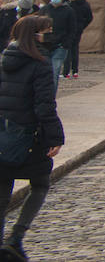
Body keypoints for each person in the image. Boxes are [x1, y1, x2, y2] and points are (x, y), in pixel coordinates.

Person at [0, 15, 64, 258]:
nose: (49, 35)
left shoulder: (5, 59)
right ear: (35, 34)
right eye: (46, 31)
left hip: (3, 133)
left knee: (2, 190)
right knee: (40, 185)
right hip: (28, 136)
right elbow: (44, 105)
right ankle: (15, 237)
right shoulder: (40, 63)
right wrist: (54, 137)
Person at [38, 0, 73, 88]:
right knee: (42, 73)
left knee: (54, 72)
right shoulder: (45, 9)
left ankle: (51, 96)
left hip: (59, 46)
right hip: (44, 45)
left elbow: (72, 29)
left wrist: (66, 44)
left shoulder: (68, 11)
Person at [61, 0, 92, 79]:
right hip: (78, 28)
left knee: (68, 49)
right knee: (75, 49)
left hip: (69, 28)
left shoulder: (69, 3)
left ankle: (66, 72)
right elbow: (90, 17)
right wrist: (83, 25)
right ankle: (75, 71)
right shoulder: (85, 4)